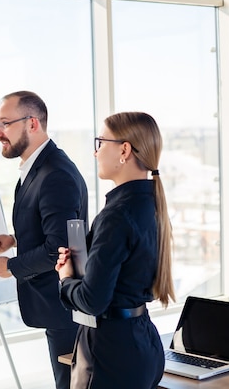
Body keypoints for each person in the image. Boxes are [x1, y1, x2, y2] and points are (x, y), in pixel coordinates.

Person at [55, 111, 175, 389]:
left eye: (101, 142)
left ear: (124, 150)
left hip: (110, 353)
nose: (96, 152)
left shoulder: (117, 215)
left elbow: (92, 299)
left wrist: (65, 280)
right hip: (143, 343)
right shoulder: (151, 205)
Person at [0, 91, 88, 389]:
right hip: (58, 308)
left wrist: (12, 267)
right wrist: (15, 239)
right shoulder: (40, 168)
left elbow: (59, 250)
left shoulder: (55, 174)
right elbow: (55, 229)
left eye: (5, 123)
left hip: (65, 309)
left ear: (32, 124)